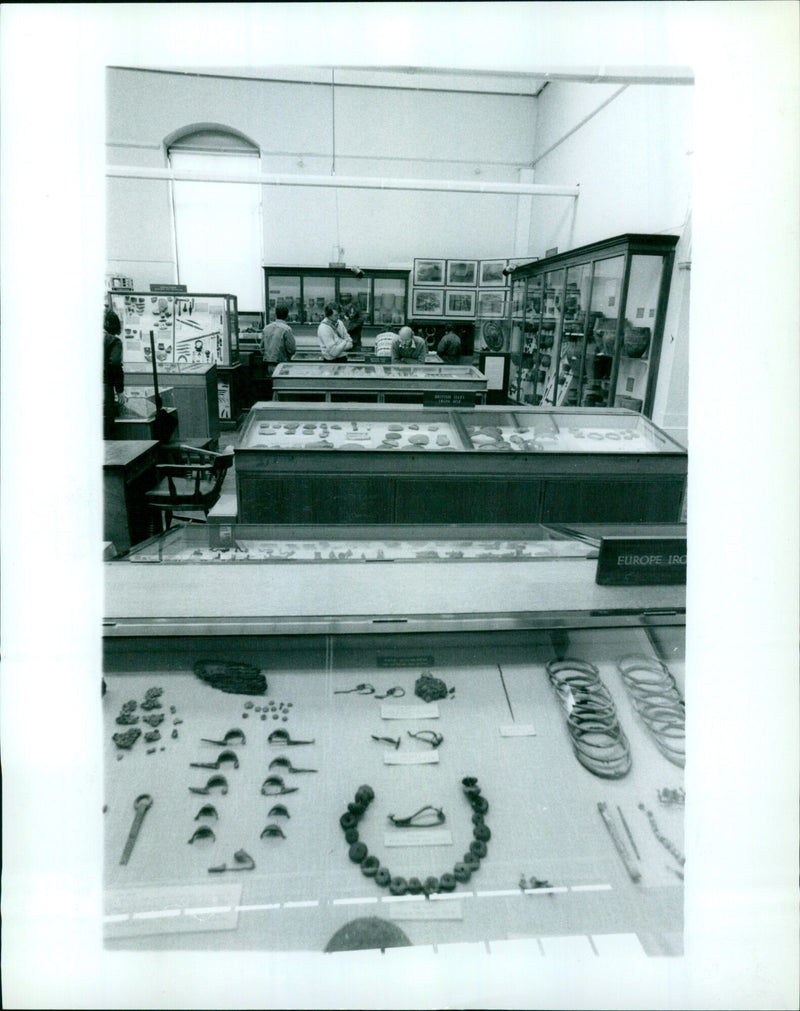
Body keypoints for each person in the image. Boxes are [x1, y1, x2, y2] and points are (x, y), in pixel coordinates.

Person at [103, 307, 125, 438]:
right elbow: (115, 364)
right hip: (105, 387)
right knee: (107, 427)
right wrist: (120, 390)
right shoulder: (113, 341)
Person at [260, 306, 296, 375]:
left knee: (273, 383)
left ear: (275, 315)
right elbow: (292, 349)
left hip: (269, 364)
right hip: (282, 364)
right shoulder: (287, 329)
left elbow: (261, 347)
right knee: (282, 383)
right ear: (287, 316)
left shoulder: (266, 328)